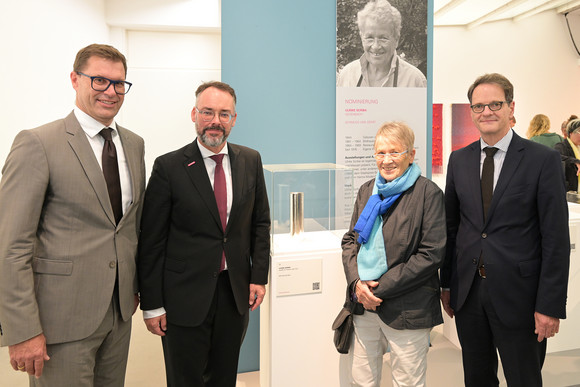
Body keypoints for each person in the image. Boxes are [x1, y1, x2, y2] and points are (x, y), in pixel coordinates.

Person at [0, 43, 145, 386]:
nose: (111, 91)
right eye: (99, 80)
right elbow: (10, 246)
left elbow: (128, 227)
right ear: (75, 79)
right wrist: (22, 330)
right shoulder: (38, 143)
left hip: (118, 313)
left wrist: (136, 287)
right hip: (59, 321)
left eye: (119, 83)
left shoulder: (134, 144)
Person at [137, 81, 271, 386]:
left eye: (224, 114)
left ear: (234, 119)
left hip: (233, 294)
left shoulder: (250, 160)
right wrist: (152, 304)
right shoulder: (169, 167)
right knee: (185, 379)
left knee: (223, 377)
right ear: (194, 114)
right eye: (208, 112)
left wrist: (258, 276)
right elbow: (151, 240)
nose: (215, 121)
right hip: (183, 297)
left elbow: (261, 223)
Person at [440, 73, 570, 387]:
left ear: (511, 108)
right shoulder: (459, 160)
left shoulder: (543, 160)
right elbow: (452, 229)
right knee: (477, 378)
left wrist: (549, 306)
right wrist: (447, 285)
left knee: (524, 378)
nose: (487, 112)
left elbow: (555, 238)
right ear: (471, 112)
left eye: (495, 104)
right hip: (470, 296)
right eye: (478, 106)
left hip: (521, 298)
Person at [341, 122, 445, 386]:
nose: (386, 161)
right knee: (361, 380)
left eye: (394, 152)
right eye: (380, 153)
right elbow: (351, 240)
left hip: (408, 309)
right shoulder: (367, 191)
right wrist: (357, 284)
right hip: (364, 306)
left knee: (407, 382)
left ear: (411, 155)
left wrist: (376, 289)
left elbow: (430, 254)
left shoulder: (427, 194)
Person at [336, 0, 426, 87]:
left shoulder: (415, 81)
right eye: (370, 37)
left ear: (396, 40)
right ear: (362, 38)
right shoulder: (347, 76)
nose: (375, 46)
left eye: (383, 38)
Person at [554, 118, 580, 192]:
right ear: (571, 133)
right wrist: (575, 161)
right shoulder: (561, 146)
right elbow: (557, 157)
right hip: (569, 190)